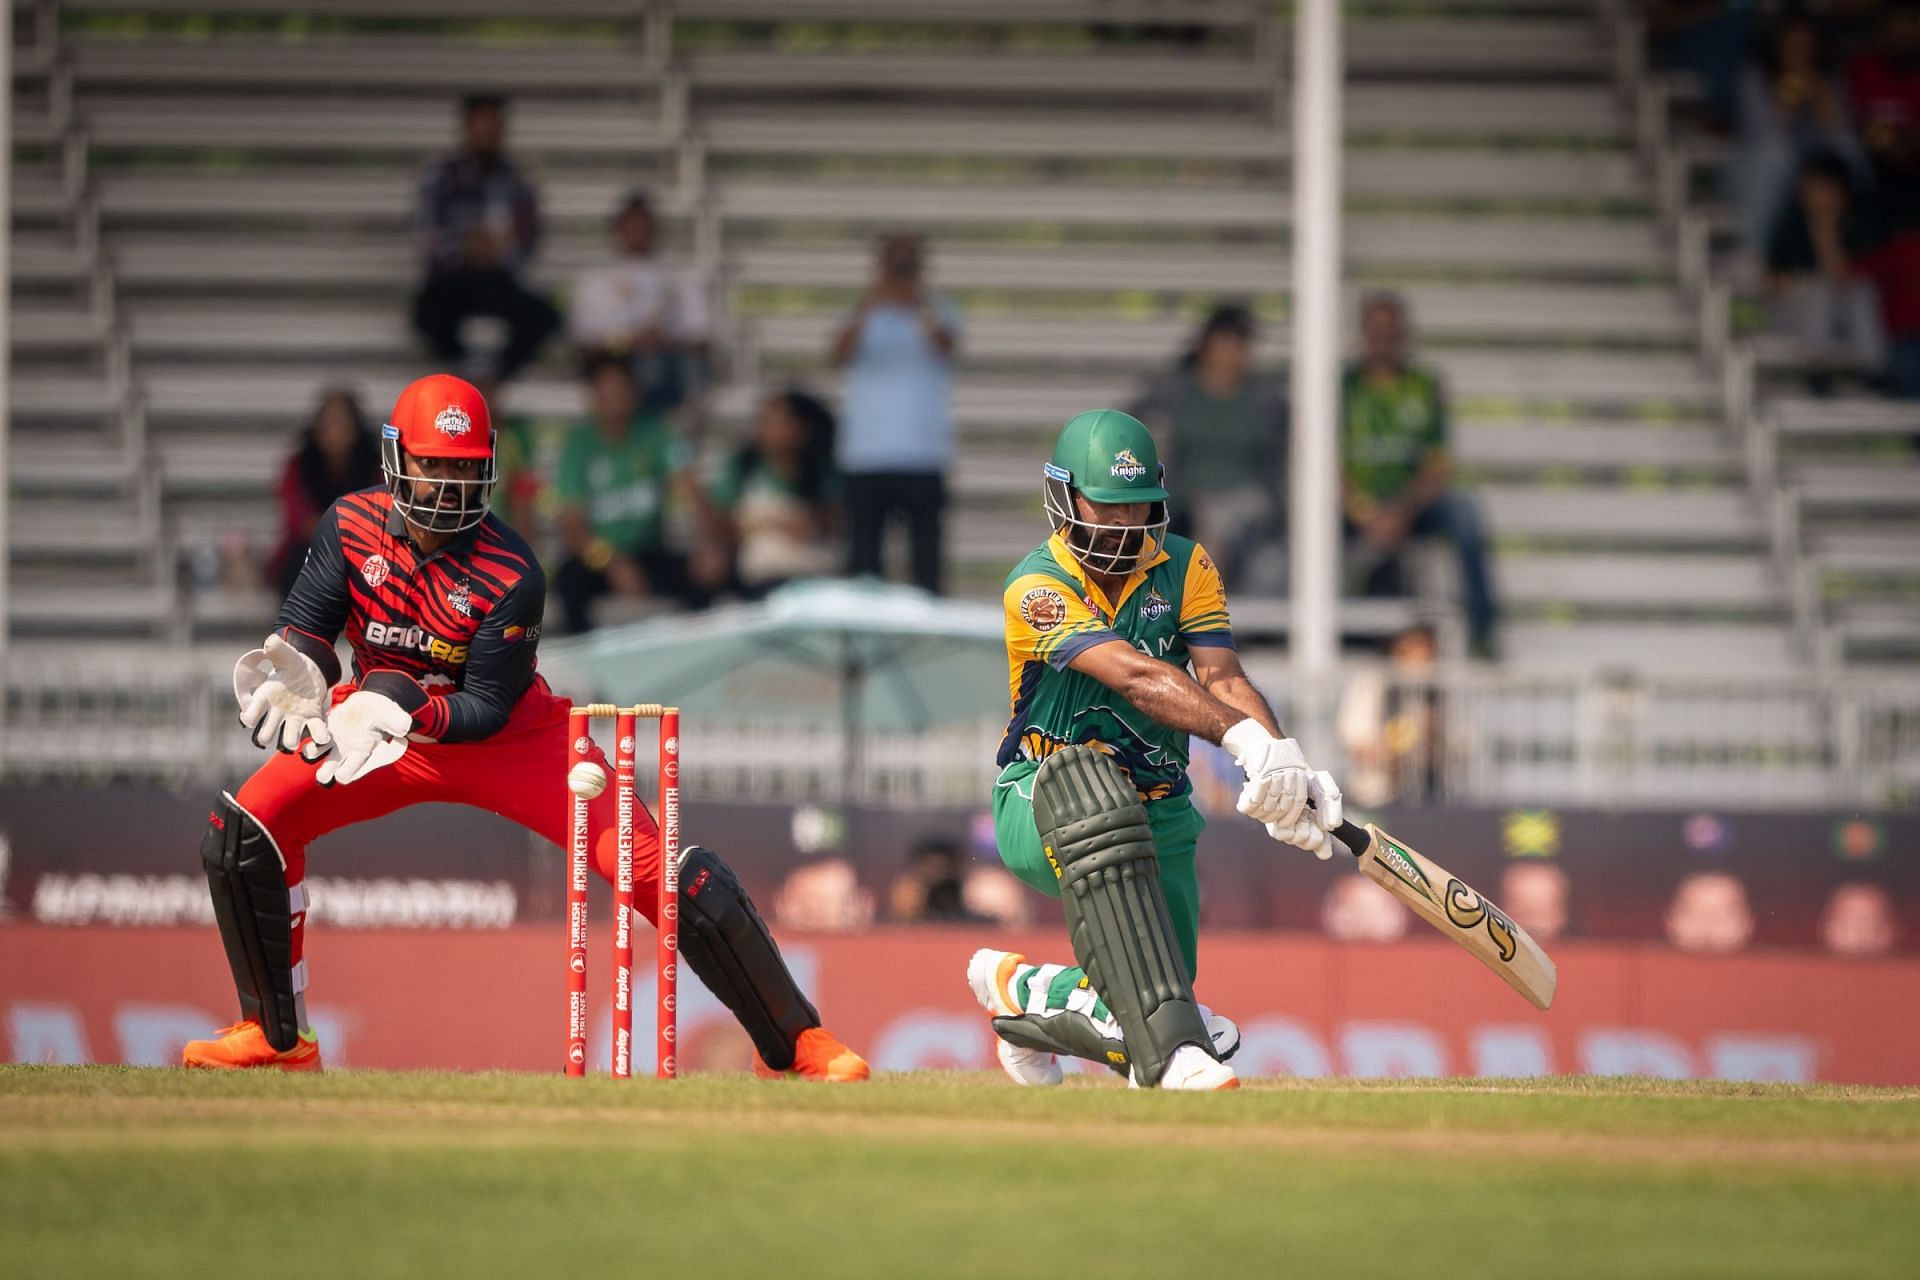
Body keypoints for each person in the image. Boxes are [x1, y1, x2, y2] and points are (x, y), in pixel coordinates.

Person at [181, 373, 868, 1082]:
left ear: (489, 468)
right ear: (395, 458)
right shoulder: (348, 524)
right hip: (374, 732)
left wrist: (407, 709)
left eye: (463, 469)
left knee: (663, 874)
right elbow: (311, 627)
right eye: (432, 465)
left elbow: (486, 705)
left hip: (508, 737)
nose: (447, 487)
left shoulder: (512, 570)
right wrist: (302, 667)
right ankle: (277, 1038)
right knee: (244, 830)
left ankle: (797, 1047)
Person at [963, 409, 1347, 1091]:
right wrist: (1242, 739)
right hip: (1042, 796)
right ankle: (1166, 1049)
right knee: (1100, 808)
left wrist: (1282, 759)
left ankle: (1026, 993)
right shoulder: (1036, 588)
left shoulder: (1186, 564)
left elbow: (1222, 677)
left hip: (1160, 805)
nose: (1123, 523)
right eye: (1105, 506)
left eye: (1137, 504)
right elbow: (1136, 675)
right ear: (1063, 497)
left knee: (1150, 1000)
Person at [1341, 292, 1500, 659]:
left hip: (1410, 507)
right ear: (1363, 334)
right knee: (1303, 520)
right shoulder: (1342, 388)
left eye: (1390, 331)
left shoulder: (1424, 385)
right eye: (1375, 330)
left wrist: (1402, 511)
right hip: (1355, 509)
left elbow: (1437, 464)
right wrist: (1363, 510)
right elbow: (1325, 461)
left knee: (1466, 512)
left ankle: (1483, 631)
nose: (1383, 339)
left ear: (1403, 334)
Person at [827, 232, 962, 595]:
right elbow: (838, 353)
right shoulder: (861, 312)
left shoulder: (939, 311)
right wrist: (872, 303)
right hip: (865, 456)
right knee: (863, 565)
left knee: (926, 566)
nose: (901, 274)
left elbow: (946, 346)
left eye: (908, 266)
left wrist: (917, 305)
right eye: (895, 265)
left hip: (922, 455)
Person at [1126, 303, 1289, 592]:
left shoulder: (1266, 400)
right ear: (1206, 345)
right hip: (1187, 508)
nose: (1233, 353)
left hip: (1250, 512)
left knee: (1268, 564)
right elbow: (1128, 426)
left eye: (1241, 344)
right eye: (1225, 342)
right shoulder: (1176, 391)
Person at [551, 355, 712, 632]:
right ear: (593, 396)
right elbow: (572, 526)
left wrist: (708, 545)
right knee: (569, 582)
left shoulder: (657, 432)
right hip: (597, 557)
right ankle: (587, 664)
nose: (613, 400)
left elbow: (689, 489)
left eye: (620, 391)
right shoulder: (578, 444)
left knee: (704, 576)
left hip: (649, 552)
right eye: (605, 392)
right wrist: (610, 562)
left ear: (634, 393)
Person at [411, 94, 560, 383]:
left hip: (498, 280)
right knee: (425, 313)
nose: (487, 132)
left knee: (545, 317)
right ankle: (461, 371)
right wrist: (465, 247)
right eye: (481, 124)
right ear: (466, 127)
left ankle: (495, 379)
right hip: (452, 280)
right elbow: (427, 233)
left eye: (494, 125)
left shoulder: (517, 181)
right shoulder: (440, 176)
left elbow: (529, 239)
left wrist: (498, 251)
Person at [1733, 8, 1866, 256]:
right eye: (1792, 43)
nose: (1798, 50)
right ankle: (1750, 251)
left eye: (1805, 44)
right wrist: (1791, 88)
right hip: (1753, 166)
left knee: (1849, 152)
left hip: (1809, 165)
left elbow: (1839, 134)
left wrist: (1816, 88)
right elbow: (1768, 133)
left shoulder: (1828, 79)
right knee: (1776, 154)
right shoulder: (1755, 76)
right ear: (1777, 43)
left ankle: (1857, 252)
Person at [567, 189, 712, 414]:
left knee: (687, 370)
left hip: (669, 360)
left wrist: (663, 341)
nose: (637, 232)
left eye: (644, 226)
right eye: (631, 225)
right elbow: (585, 345)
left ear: (656, 230)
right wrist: (631, 342)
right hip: (616, 360)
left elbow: (701, 340)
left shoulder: (680, 279)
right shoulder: (596, 282)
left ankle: (668, 431)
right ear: (618, 230)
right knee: (639, 371)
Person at [1765, 149, 1887, 388]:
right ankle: (1816, 369)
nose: (1811, 194)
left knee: (1861, 291)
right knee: (1817, 291)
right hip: (1793, 315)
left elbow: (1844, 276)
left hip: (1843, 315)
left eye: (1820, 187)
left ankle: (1874, 370)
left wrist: (1826, 230)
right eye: (1809, 187)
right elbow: (1772, 280)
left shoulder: (1859, 223)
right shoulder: (1791, 222)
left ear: (1840, 192)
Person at [708, 389, 841, 600]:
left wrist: (807, 525)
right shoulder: (743, 467)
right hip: (757, 575)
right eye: (763, 420)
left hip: (810, 573)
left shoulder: (820, 471)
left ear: (802, 429)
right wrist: (760, 525)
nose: (765, 428)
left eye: (777, 421)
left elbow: (834, 522)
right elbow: (721, 522)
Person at [268, 389, 382, 602]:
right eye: (329, 425)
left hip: (361, 550)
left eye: (342, 424)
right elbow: (297, 520)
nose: (335, 433)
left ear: (356, 428)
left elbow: (379, 514)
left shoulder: (374, 464)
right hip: (309, 549)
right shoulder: (299, 464)